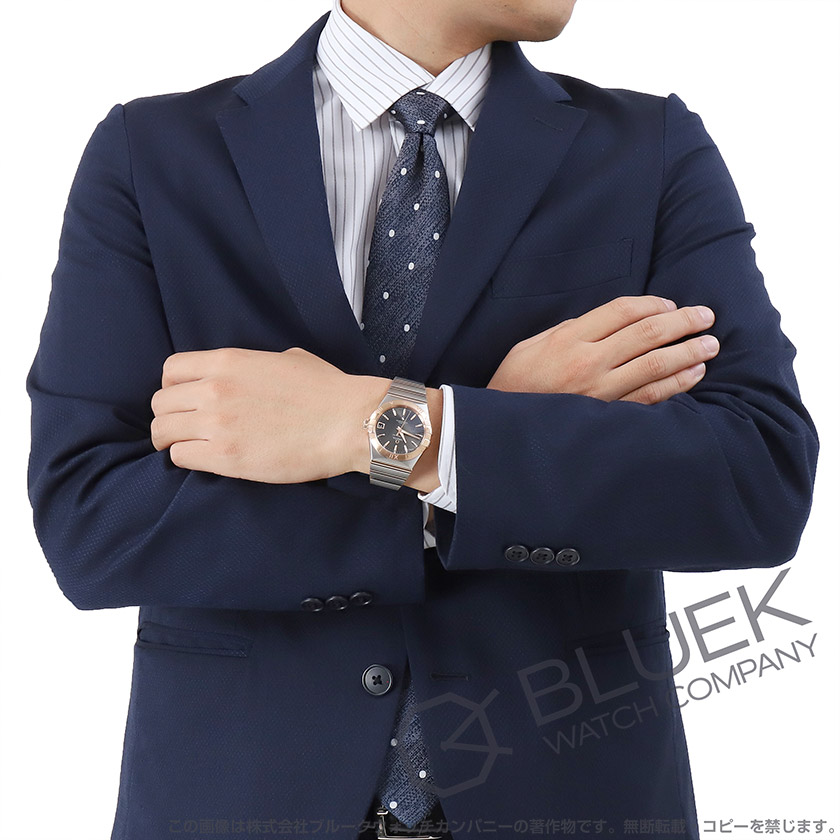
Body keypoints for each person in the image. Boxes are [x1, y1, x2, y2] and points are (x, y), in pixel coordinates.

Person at [25, 0, 819, 838]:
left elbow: (759, 478)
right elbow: (91, 524)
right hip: (235, 805)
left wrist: (387, 426)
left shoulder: (648, 151)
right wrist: (483, 452)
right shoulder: (153, 155)